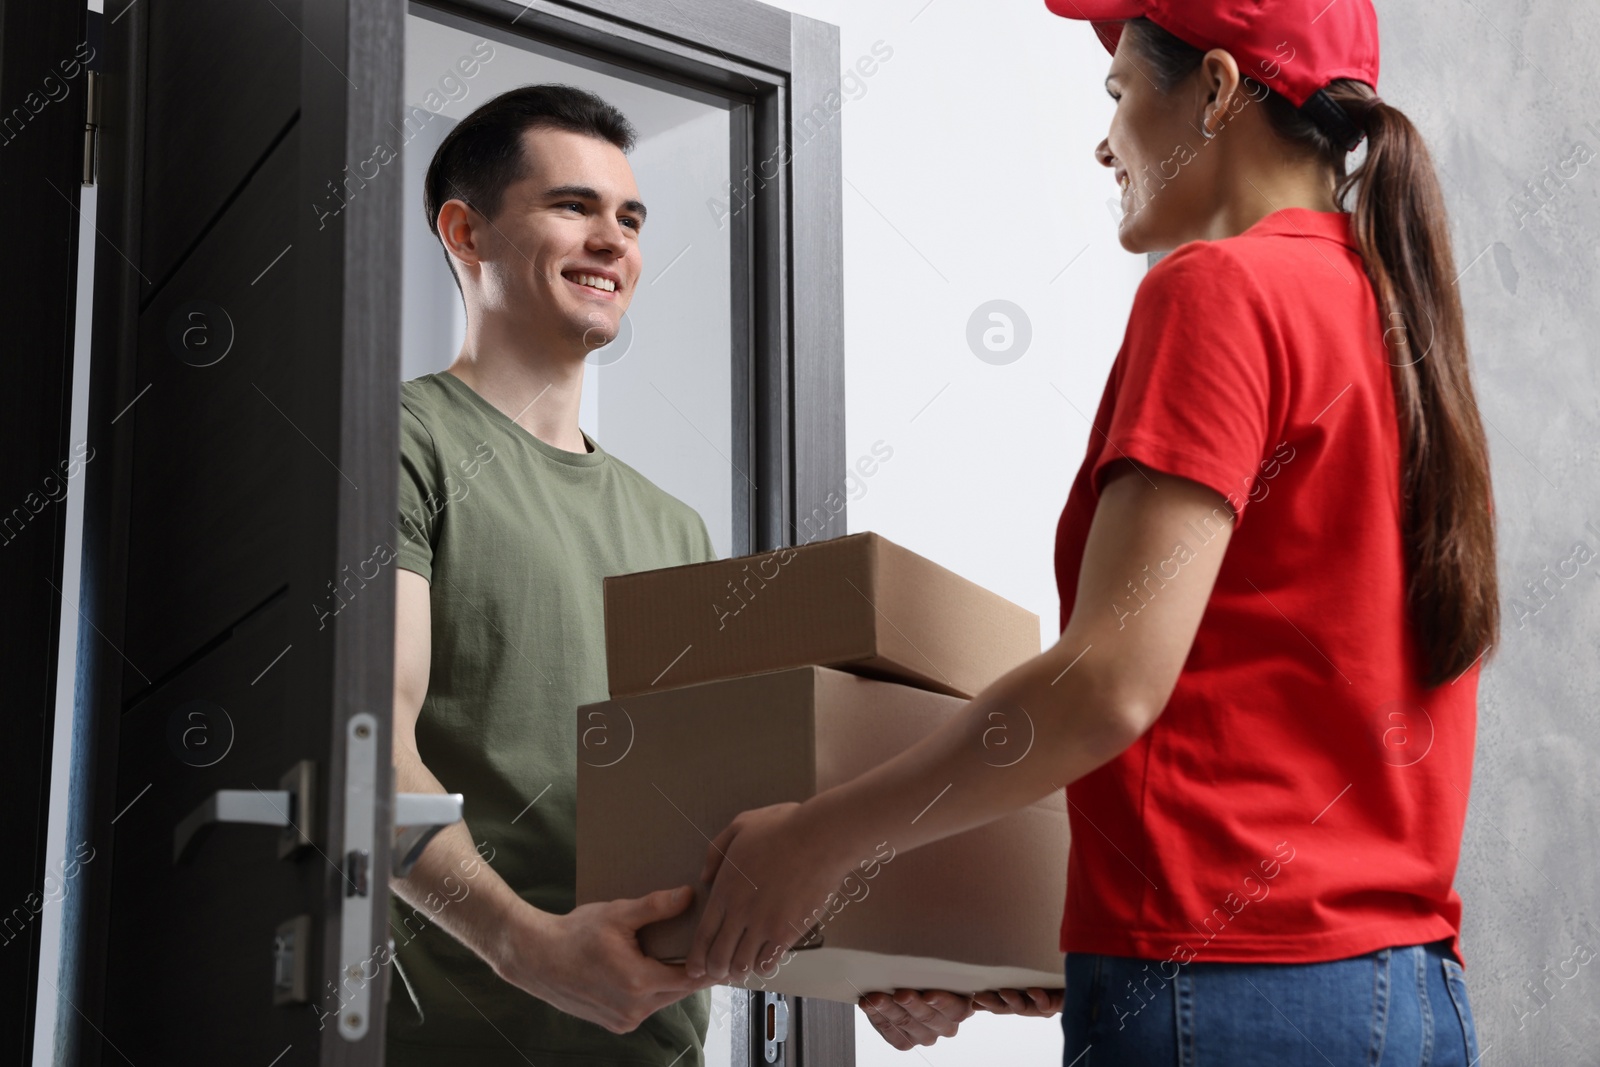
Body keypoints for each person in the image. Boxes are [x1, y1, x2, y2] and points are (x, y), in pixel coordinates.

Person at [684, 1, 1499, 1063]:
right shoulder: (1389, 319)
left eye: (1118, 93)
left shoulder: (1219, 289)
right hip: (1407, 995)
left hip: (1230, 999)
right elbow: (1274, 728)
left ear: (1212, 90)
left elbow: (1109, 682)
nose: (1104, 139)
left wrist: (814, 842)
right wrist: (1030, 956)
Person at [387, 84, 720, 1066]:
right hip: (449, 1042)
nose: (613, 239)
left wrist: (873, 959)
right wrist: (522, 944)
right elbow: (367, 744)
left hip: (647, 1047)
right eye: (573, 206)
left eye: (630, 217)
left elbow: (719, 805)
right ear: (466, 231)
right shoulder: (399, 443)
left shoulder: (676, 525)